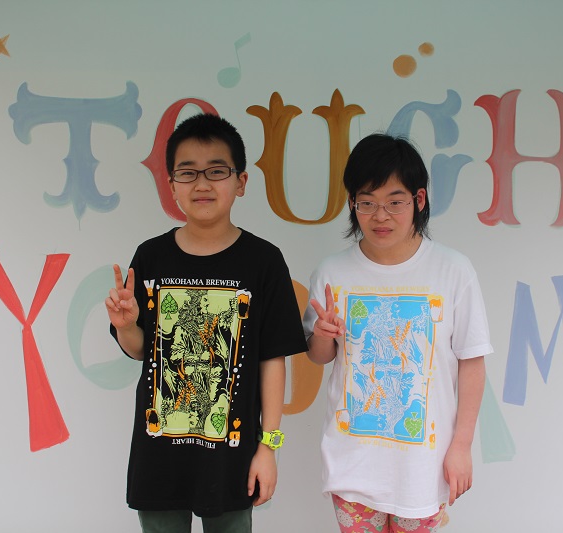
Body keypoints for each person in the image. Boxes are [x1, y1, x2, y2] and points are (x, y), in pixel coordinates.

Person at [106, 113, 308, 533]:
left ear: (241, 181)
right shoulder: (150, 256)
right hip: (159, 458)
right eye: (188, 172)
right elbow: (142, 350)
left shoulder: (264, 261)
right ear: (171, 185)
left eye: (216, 171)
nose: (202, 184)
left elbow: (273, 360)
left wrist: (268, 447)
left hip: (232, 459)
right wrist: (127, 326)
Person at [303, 133, 493, 533]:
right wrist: (322, 333)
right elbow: (320, 356)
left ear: (419, 200)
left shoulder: (453, 270)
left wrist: (461, 446)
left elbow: (472, 361)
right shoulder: (332, 272)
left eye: (395, 202)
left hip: (423, 469)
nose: (381, 216)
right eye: (367, 202)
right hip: (352, 464)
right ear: (352, 203)